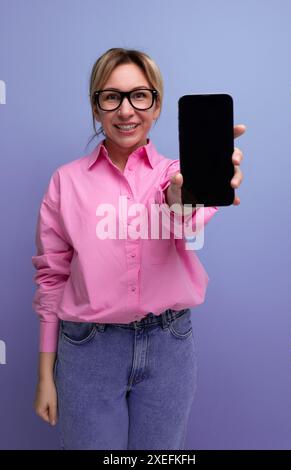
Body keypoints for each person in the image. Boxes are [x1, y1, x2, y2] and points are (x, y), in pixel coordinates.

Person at [32, 47, 245, 450]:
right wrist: (46, 373)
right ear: (96, 107)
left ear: (158, 104)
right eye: (111, 96)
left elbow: (181, 211)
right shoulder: (65, 183)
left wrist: (187, 196)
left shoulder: (176, 175)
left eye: (139, 95)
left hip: (169, 347)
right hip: (88, 349)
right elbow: (51, 278)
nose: (126, 110)